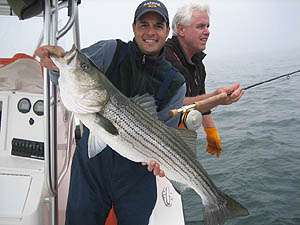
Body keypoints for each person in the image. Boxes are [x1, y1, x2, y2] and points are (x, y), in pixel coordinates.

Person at [35, 1, 243, 224]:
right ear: (134, 27)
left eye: (158, 26)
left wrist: (159, 161)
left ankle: (214, 202)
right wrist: (56, 63)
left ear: (167, 31)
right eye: (144, 25)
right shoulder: (110, 50)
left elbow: (166, 129)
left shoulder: (175, 81)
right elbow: (68, 73)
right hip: (92, 169)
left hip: (138, 173)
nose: (150, 32)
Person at [165, 2, 243, 158]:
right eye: (201, 26)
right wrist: (216, 98)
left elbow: (203, 102)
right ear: (181, 29)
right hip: (159, 141)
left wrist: (211, 132)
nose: (207, 32)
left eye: (208, 26)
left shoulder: (198, 65)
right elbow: (172, 107)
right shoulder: (164, 59)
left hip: (181, 138)